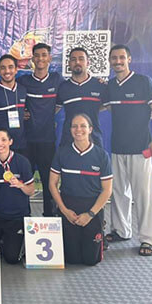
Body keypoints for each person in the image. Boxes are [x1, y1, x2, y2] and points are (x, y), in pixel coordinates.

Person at [104, 44, 152, 256]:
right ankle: (121, 230)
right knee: (119, 192)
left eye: (121, 57)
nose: (118, 61)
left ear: (129, 59)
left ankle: (149, 239)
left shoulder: (143, 82)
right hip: (117, 147)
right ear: (110, 61)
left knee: (143, 194)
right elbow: (99, 105)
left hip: (141, 148)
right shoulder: (110, 86)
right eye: (114, 58)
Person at [50, 114, 113, 265]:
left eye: (83, 126)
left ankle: (99, 230)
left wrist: (90, 215)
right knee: (71, 259)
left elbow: (107, 190)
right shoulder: (62, 152)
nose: (79, 130)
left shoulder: (101, 156)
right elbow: (52, 184)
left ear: (90, 129)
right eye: (74, 126)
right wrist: (65, 211)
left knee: (91, 260)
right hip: (68, 206)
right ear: (70, 130)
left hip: (92, 208)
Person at [17, 43, 64, 217]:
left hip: (47, 141)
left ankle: (49, 218)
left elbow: (64, 100)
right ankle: (22, 218)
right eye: (37, 55)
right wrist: (22, 112)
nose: (40, 58)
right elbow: (9, 96)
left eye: (44, 55)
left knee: (48, 181)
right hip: (25, 141)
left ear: (50, 58)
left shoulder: (57, 80)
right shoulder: (23, 81)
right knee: (24, 181)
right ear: (32, 59)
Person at [0, 128, 35, 264]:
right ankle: (1, 238)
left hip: (17, 217)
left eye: (4, 140)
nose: (0, 144)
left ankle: (11, 239)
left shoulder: (22, 162)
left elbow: (31, 190)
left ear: (10, 141)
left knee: (12, 258)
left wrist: (21, 185)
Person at [56, 47, 108, 147]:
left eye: (81, 59)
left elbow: (107, 106)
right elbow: (54, 109)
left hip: (94, 139)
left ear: (88, 62)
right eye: (73, 59)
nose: (77, 62)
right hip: (68, 140)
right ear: (69, 63)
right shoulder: (63, 87)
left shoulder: (100, 85)